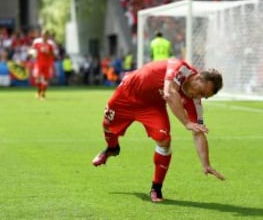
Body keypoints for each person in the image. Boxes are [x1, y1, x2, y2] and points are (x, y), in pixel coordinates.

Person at [92, 58, 225, 202]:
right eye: (201, 91)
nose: (199, 97)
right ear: (198, 78)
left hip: (152, 106)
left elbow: (198, 133)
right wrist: (186, 122)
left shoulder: (195, 102)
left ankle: (156, 188)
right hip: (128, 93)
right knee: (107, 125)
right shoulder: (179, 67)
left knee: (164, 140)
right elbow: (169, 93)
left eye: (204, 96)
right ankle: (112, 148)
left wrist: (206, 164)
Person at [31, 29, 57, 100]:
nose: (44, 36)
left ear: (48, 36)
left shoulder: (51, 44)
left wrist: (48, 52)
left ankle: (43, 94)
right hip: (39, 63)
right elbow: (32, 51)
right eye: (43, 35)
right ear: (41, 35)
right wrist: (32, 54)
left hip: (48, 64)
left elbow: (54, 54)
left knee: (46, 79)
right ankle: (39, 92)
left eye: (46, 35)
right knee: (38, 79)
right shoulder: (36, 42)